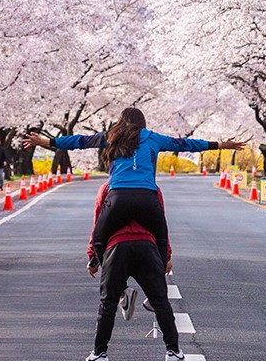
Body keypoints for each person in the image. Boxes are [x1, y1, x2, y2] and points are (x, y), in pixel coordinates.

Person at [25, 108, 245, 268]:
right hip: (147, 198)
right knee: (161, 242)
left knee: (99, 240)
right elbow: (186, 144)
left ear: (121, 122)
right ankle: (157, 287)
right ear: (143, 123)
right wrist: (220, 145)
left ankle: (111, 282)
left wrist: (46, 143)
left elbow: (79, 141)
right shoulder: (154, 138)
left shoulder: (111, 137)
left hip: (117, 197)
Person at [85, 182, 178, 361]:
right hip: (147, 247)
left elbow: (98, 224)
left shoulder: (108, 188)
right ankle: (173, 351)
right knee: (160, 299)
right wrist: (166, 256)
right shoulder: (152, 188)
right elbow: (161, 225)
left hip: (116, 248)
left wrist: (92, 258)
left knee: (108, 302)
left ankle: (100, 353)